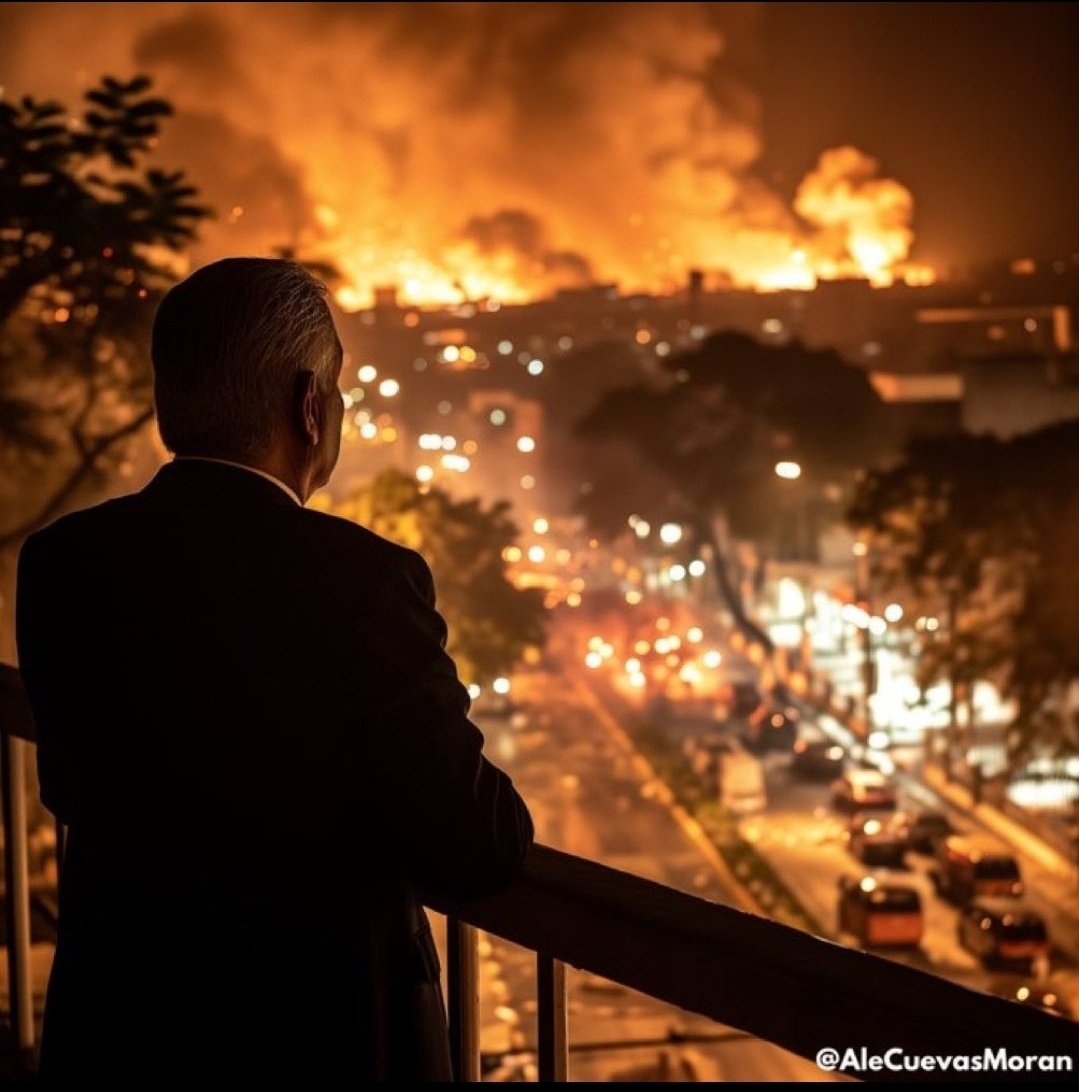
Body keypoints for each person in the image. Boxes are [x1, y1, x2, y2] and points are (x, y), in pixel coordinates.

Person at [15, 257, 534, 1081]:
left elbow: (72, 788)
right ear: (309, 406)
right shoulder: (364, 580)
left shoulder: (62, 563)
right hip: (320, 1040)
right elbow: (477, 843)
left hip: (119, 1029)